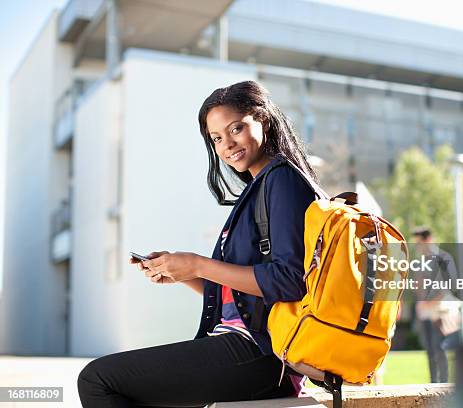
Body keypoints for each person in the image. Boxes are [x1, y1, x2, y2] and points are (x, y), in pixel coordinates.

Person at [77, 81, 318, 407]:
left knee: (98, 380)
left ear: (263, 119)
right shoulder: (258, 188)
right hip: (245, 348)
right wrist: (184, 274)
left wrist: (197, 264)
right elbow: (246, 298)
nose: (227, 144)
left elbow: (289, 281)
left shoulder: (282, 181)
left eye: (236, 129)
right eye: (216, 138)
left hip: (260, 353)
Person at [411, 226, 460, 383]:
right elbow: (417, 286)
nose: (418, 246)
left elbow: (451, 285)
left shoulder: (444, 258)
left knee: (440, 347)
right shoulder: (418, 262)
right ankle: (433, 384)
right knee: (429, 349)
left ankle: (444, 384)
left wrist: (430, 302)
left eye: (419, 243)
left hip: (440, 309)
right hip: (425, 310)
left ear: (429, 240)